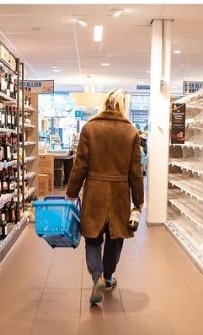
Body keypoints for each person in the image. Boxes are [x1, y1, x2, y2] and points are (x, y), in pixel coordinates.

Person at [66, 89, 144, 305]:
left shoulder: (90, 128)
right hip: (119, 192)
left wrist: (71, 193)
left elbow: (80, 165)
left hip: (95, 190)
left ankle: (96, 276)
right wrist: (138, 200)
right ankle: (108, 277)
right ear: (123, 106)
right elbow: (135, 171)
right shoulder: (131, 132)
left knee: (92, 237)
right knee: (115, 237)